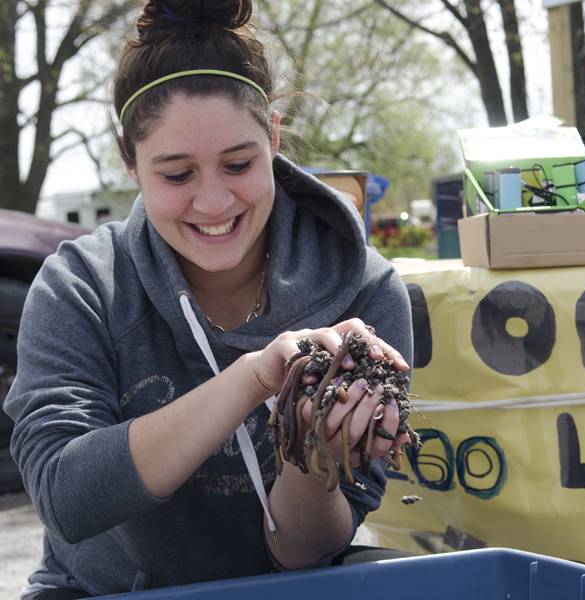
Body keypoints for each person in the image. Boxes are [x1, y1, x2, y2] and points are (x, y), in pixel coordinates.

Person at [4, 0, 414, 596]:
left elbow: (304, 553)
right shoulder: (80, 288)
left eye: (239, 163)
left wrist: (315, 455)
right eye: (177, 174)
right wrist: (252, 379)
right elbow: (66, 497)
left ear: (272, 136)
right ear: (130, 161)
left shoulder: (366, 293)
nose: (215, 202)